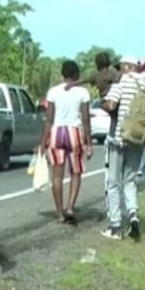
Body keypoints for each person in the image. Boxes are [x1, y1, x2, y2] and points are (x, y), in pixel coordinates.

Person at [100, 55, 145, 241]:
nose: (118, 70)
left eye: (120, 67)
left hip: (119, 138)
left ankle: (115, 226)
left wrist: (103, 103)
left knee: (112, 182)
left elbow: (111, 105)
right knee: (130, 180)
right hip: (137, 140)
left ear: (127, 67)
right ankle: (133, 216)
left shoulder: (120, 83)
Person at [41, 60, 93, 223]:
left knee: (57, 176)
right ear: (76, 75)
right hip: (74, 132)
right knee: (75, 172)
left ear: (63, 74)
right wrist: (89, 143)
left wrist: (43, 143)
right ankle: (70, 206)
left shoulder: (53, 92)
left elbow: (48, 120)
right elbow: (85, 119)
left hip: (57, 132)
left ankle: (59, 213)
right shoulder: (83, 92)